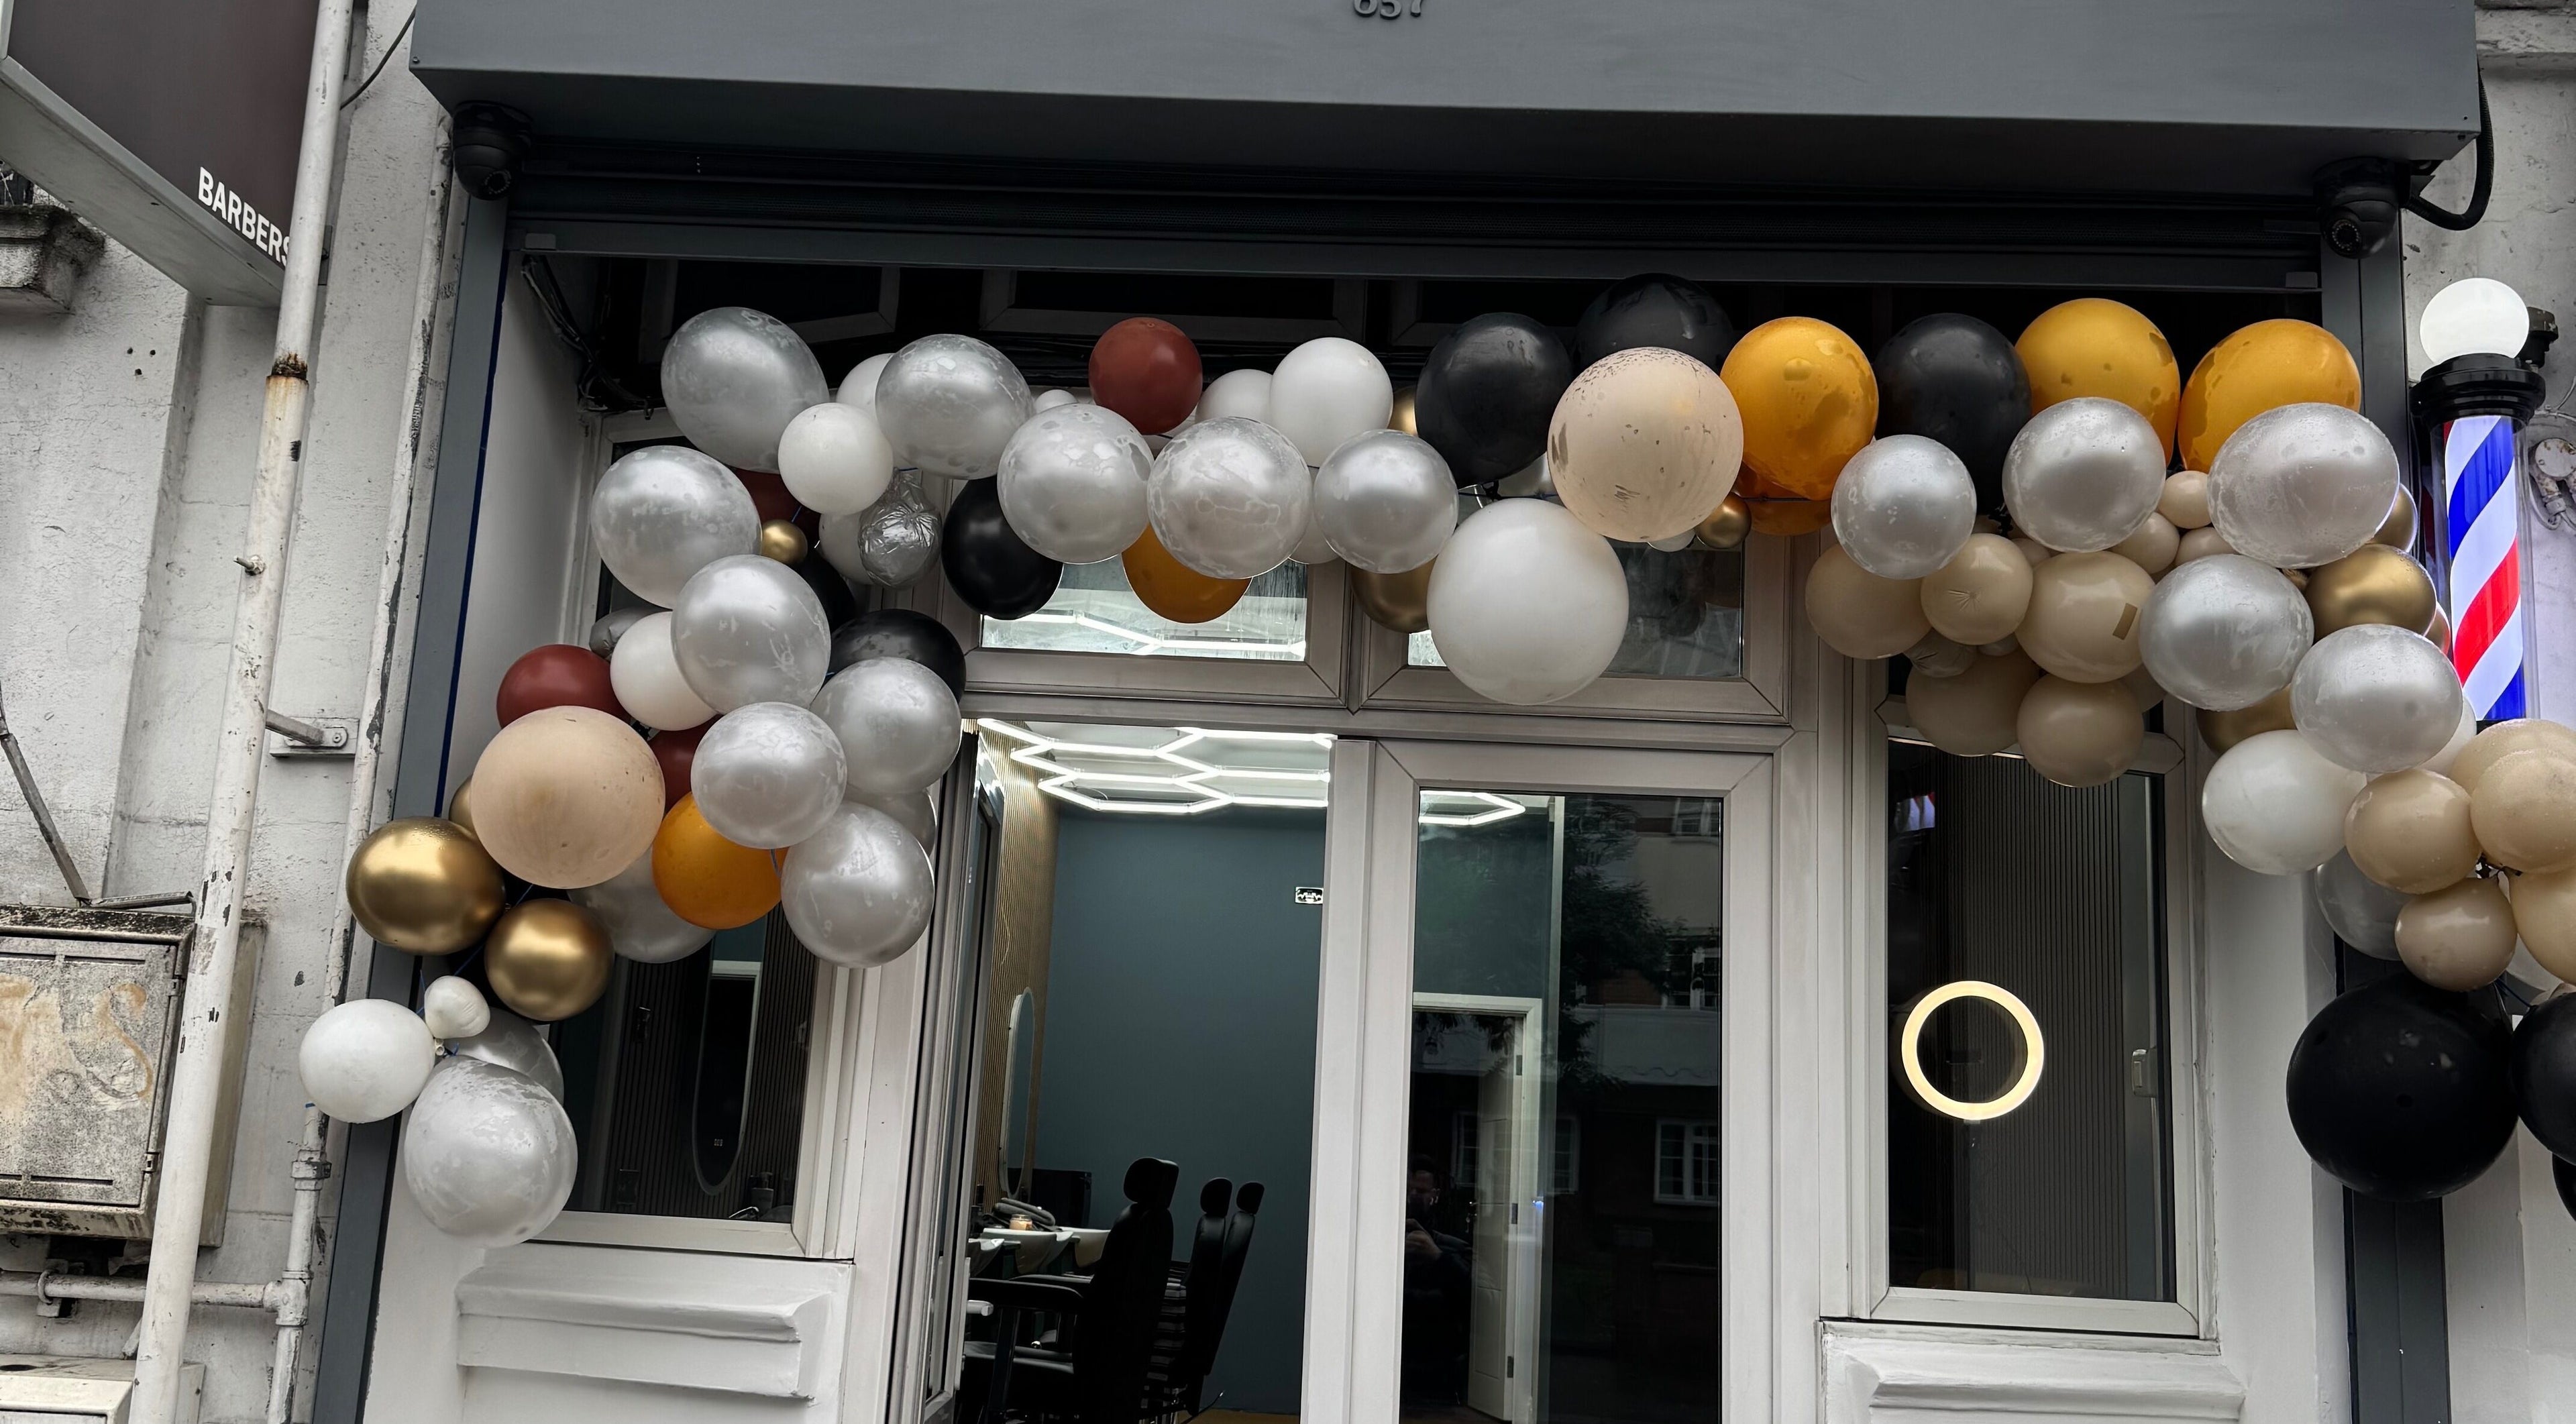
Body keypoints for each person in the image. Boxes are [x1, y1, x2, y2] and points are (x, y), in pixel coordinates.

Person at [1400, 1157, 1474, 1405]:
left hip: (1439, 1365)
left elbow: (1477, 1297)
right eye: (1408, 1190)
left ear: (1436, 1195)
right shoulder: (1379, 1233)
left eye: (1421, 1192)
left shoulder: (1454, 1240)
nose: (1412, 1197)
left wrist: (1437, 1257)